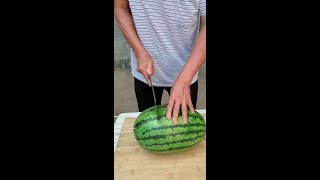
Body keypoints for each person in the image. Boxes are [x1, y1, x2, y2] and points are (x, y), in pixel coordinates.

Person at [115, 0, 206, 125]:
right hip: (144, 73)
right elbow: (120, 7)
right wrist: (139, 51)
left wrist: (185, 79)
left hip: (186, 71)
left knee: (183, 128)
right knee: (148, 128)